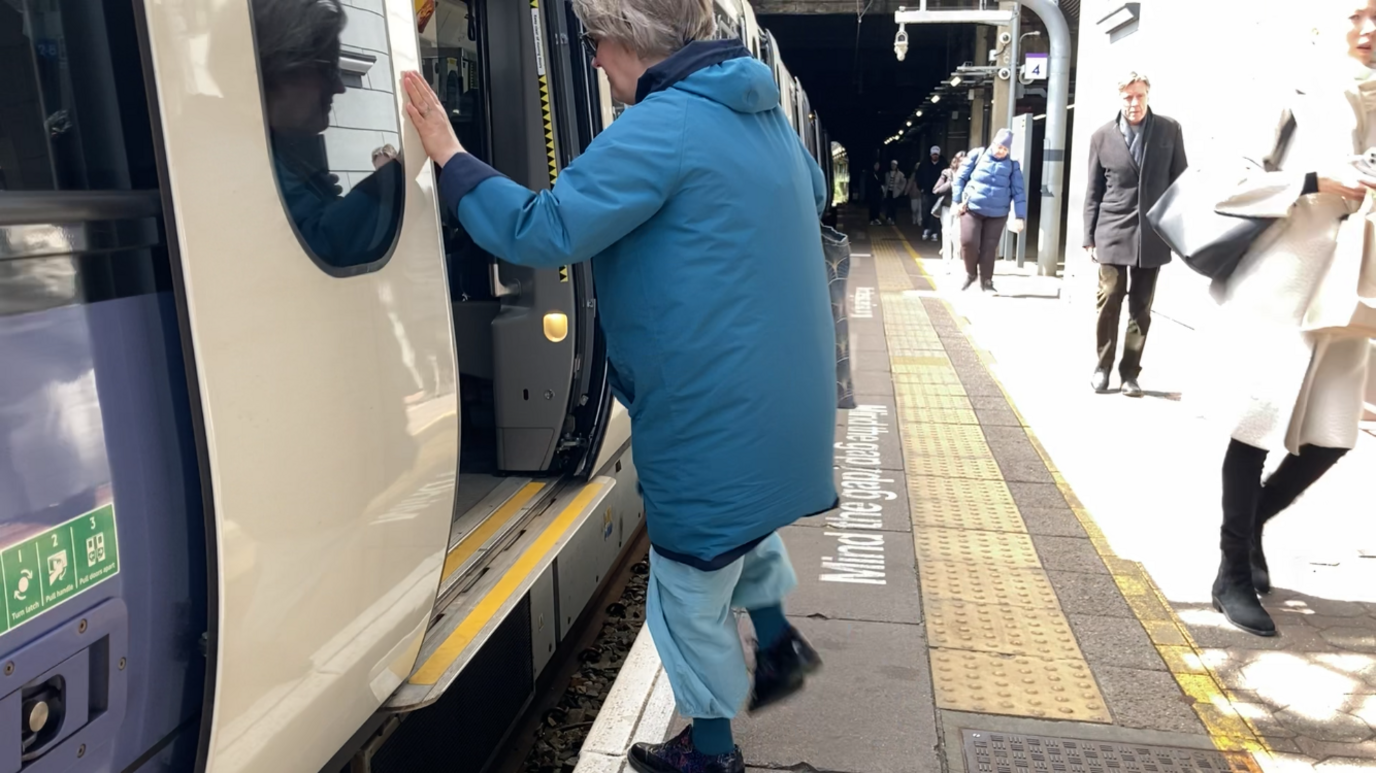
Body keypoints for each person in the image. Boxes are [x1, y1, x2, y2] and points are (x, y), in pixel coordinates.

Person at [401, 0, 838, 766]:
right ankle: (776, 645)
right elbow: (809, 193)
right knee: (746, 530)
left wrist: (448, 152)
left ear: (634, 41)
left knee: (684, 591)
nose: (596, 61)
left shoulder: (660, 126)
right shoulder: (762, 110)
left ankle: (709, 752)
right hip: (785, 405)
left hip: (711, 415)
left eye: (598, 43)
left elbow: (539, 229)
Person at [1203, 0, 1376, 637]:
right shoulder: (1293, 82)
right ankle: (1231, 573)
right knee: (1255, 424)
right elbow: (1228, 182)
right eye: (1357, 13)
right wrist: (1311, 179)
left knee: (1332, 438)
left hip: (1351, 296)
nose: (1368, 29)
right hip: (1281, 288)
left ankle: (1253, 526)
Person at [1083, 73, 1189, 397]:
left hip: (1152, 233)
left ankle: (1130, 373)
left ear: (1147, 95)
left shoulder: (1169, 130)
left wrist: (1178, 231)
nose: (1134, 103)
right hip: (1112, 229)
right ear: (1119, 98)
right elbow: (1093, 190)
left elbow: (1180, 183)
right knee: (1109, 298)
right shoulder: (1102, 136)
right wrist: (1089, 237)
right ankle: (1102, 367)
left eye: (1140, 96)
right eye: (1128, 97)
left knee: (1141, 308)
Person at [953, 128, 1026, 292]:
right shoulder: (977, 155)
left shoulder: (1012, 166)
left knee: (989, 248)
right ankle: (971, 273)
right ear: (993, 144)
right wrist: (956, 201)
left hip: (997, 213)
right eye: (999, 146)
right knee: (968, 242)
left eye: (1005, 149)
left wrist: (1020, 216)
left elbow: (1019, 192)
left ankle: (987, 281)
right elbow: (960, 179)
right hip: (972, 209)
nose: (1001, 151)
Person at [932, 150, 966, 274]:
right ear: (955, 162)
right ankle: (947, 260)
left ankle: (957, 256)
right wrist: (951, 183)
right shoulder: (947, 173)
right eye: (961, 162)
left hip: (962, 208)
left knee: (956, 233)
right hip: (947, 207)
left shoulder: (970, 175)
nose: (963, 165)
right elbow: (936, 190)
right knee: (946, 232)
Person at [914, 144, 946, 241]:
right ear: (930, 155)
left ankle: (935, 232)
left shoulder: (943, 165)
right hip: (927, 192)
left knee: (936, 212)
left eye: (936, 154)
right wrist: (921, 188)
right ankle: (926, 229)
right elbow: (918, 176)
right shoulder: (924, 164)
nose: (935, 156)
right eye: (933, 154)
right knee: (926, 211)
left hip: (938, 193)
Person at [884, 159, 906, 225]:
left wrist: (900, 189)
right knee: (888, 205)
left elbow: (904, 182)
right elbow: (885, 182)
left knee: (894, 206)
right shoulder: (887, 173)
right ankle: (888, 218)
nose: (893, 166)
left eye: (894, 165)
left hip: (895, 193)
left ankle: (893, 218)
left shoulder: (900, 174)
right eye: (892, 165)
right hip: (888, 191)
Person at [866, 160, 885, 225]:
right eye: (876, 165)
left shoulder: (880, 174)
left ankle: (876, 218)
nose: (877, 166)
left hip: (878, 193)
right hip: (872, 193)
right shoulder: (870, 174)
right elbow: (868, 184)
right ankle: (872, 219)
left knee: (878, 206)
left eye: (878, 165)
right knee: (872, 206)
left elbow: (882, 183)